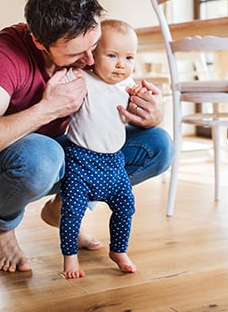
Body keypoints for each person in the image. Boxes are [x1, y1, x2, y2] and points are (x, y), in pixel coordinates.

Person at [0, 0, 173, 274]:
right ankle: (0, 227)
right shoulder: (8, 53)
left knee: (158, 145)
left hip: (64, 154)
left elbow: (115, 105)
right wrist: (47, 109)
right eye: (77, 53)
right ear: (39, 41)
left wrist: (151, 114)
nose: (91, 61)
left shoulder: (92, 53)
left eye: (93, 47)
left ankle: (64, 208)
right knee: (44, 156)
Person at [59, 19, 148, 278]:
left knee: (125, 207)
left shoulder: (127, 87)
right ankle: (70, 258)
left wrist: (142, 101)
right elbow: (63, 76)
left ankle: (118, 249)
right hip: (81, 162)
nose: (121, 64)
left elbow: (135, 114)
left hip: (114, 164)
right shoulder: (82, 78)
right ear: (92, 55)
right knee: (73, 211)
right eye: (112, 55)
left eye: (129, 57)